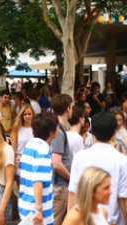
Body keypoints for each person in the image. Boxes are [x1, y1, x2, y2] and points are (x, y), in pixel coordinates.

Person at [68, 112, 127, 225]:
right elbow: (123, 197)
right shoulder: (122, 160)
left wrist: (70, 217)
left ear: (93, 132)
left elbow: (73, 191)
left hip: (84, 219)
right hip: (113, 219)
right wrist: (126, 222)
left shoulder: (80, 157)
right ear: (114, 132)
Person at [18, 112, 58, 225]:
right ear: (52, 131)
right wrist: (39, 209)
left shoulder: (30, 145)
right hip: (38, 213)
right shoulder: (43, 150)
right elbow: (38, 181)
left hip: (25, 205)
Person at [50, 94, 74, 225]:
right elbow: (56, 163)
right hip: (60, 187)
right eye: (72, 107)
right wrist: (72, 177)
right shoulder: (59, 131)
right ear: (68, 109)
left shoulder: (58, 128)